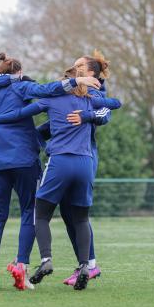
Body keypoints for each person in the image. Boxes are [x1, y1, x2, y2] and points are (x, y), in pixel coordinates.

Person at [0, 53, 101, 290]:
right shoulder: (22, 88)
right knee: (32, 212)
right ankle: (22, 266)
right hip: (28, 162)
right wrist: (76, 83)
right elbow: (48, 90)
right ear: (18, 74)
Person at [35, 50, 113, 286]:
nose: (75, 66)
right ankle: (85, 265)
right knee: (72, 215)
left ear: (91, 72)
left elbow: (104, 113)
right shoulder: (73, 89)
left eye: (80, 64)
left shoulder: (96, 91)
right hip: (74, 155)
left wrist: (85, 116)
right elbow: (61, 116)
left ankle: (90, 264)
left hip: (84, 155)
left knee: (77, 215)